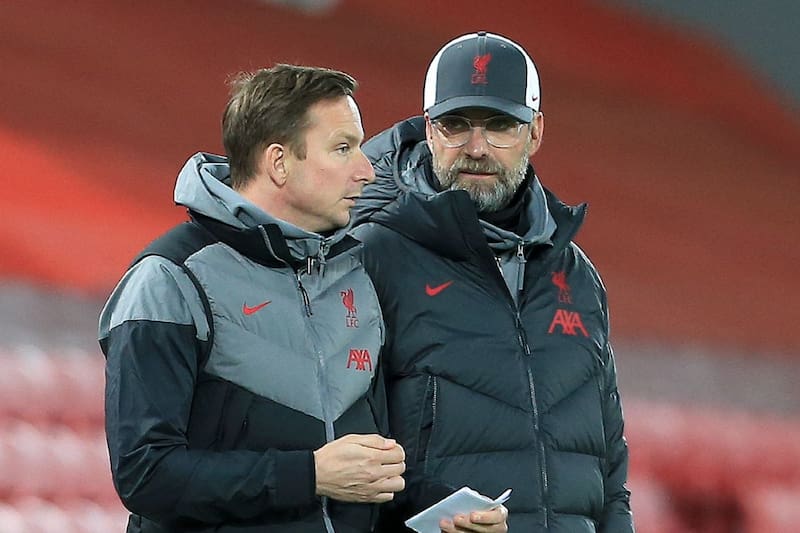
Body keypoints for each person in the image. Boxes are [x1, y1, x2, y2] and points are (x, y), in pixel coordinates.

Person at [98, 64, 407, 533]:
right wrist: (310, 475)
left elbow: (371, 472)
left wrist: (444, 512)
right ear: (279, 163)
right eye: (343, 148)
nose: (367, 171)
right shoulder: (169, 278)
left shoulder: (354, 276)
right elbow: (146, 475)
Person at [351, 32, 635, 532]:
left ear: (536, 132)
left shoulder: (577, 275)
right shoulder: (374, 257)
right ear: (430, 130)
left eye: (501, 125)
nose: (477, 148)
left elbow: (609, 469)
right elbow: (351, 458)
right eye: (456, 125)